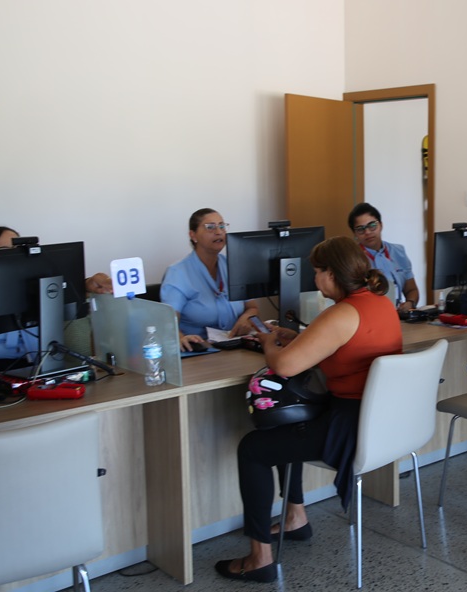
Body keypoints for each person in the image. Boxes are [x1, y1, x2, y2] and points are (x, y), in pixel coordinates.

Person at [215, 235, 402, 583]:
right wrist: (298, 337)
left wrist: (269, 342)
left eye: (317, 271)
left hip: (350, 425)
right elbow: (340, 343)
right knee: (286, 422)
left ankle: (259, 558)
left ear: (331, 273)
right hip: (379, 422)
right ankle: (295, 518)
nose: (314, 278)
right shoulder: (381, 303)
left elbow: (283, 365)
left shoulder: (342, 313)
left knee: (253, 449)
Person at [0, 226, 113, 367]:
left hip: (37, 370)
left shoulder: (39, 292)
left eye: (17, 250)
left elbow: (69, 294)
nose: (13, 257)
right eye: (4, 251)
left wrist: (87, 284)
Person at [160, 208, 259, 351]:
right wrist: (180, 337)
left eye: (222, 226)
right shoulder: (177, 273)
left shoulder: (233, 266)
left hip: (235, 345)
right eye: (210, 227)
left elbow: (252, 307)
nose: (218, 232)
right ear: (193, 235)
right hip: (200, 350)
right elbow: (167, 322)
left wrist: (247, 318)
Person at [348, 202, 420, 313]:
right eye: (360, 229)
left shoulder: (398, 252)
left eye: (372, 225)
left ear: (381, 225)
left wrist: (410, 303)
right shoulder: (352, 259)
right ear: (355, 234)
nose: (367, 232)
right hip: (370, 316)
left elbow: (412, 289)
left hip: (398, 315)